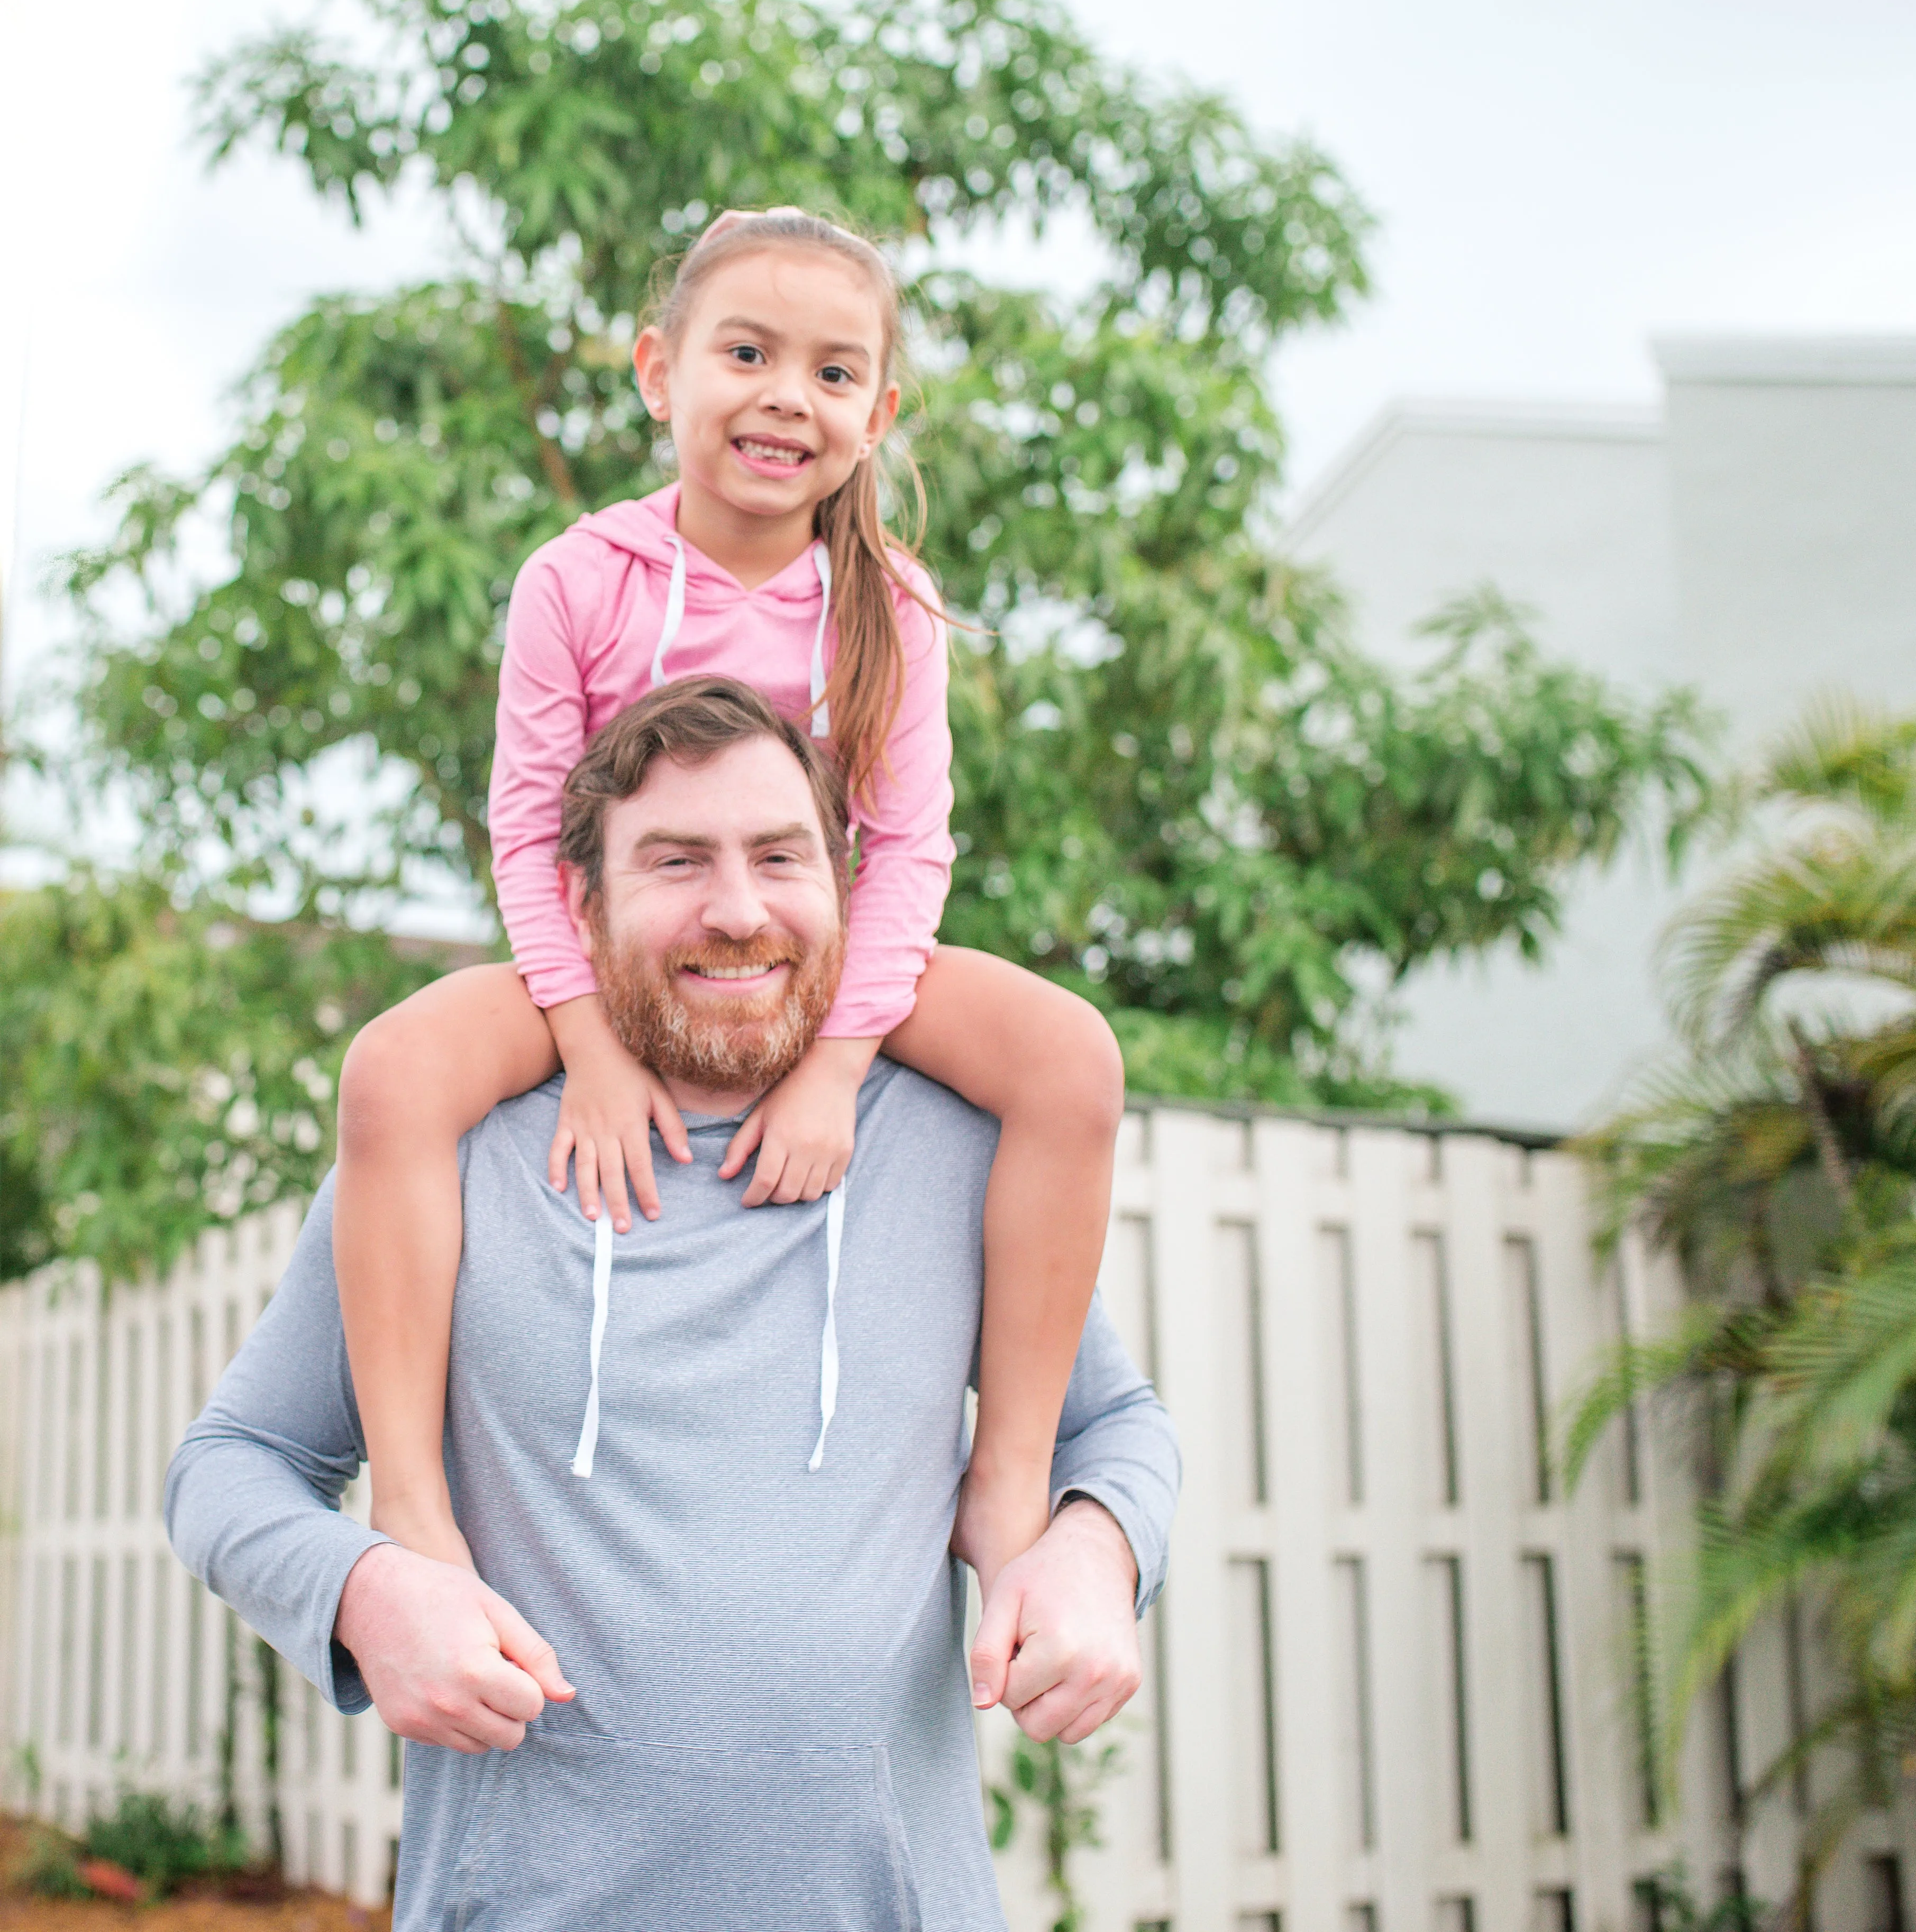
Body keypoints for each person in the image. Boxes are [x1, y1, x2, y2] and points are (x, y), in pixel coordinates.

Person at [167, 676, 1178, 1928]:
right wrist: (369, 1590)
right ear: (582, 906)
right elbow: (233, 1463)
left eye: (778, 856)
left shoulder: (963, 1152)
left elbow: (1111, 1424)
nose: (740, 909)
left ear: (849, 888)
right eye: (676, 861)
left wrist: (1094, 1548)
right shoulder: (445, 1164)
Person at [332, 207, 1125, 1603]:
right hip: (609, 957)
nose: (784, 397)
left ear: (875, 411)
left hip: (817, 963)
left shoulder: (889, 605)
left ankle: (1002, 1478)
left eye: (830, 373)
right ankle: (408, 1495)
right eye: (744, 352)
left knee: (1072, 1058)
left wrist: (833, 1067)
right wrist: (582, 1042)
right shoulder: (576, 578)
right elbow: (526, 830)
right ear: (658, 370)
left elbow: (908, 853)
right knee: (392, 1070)